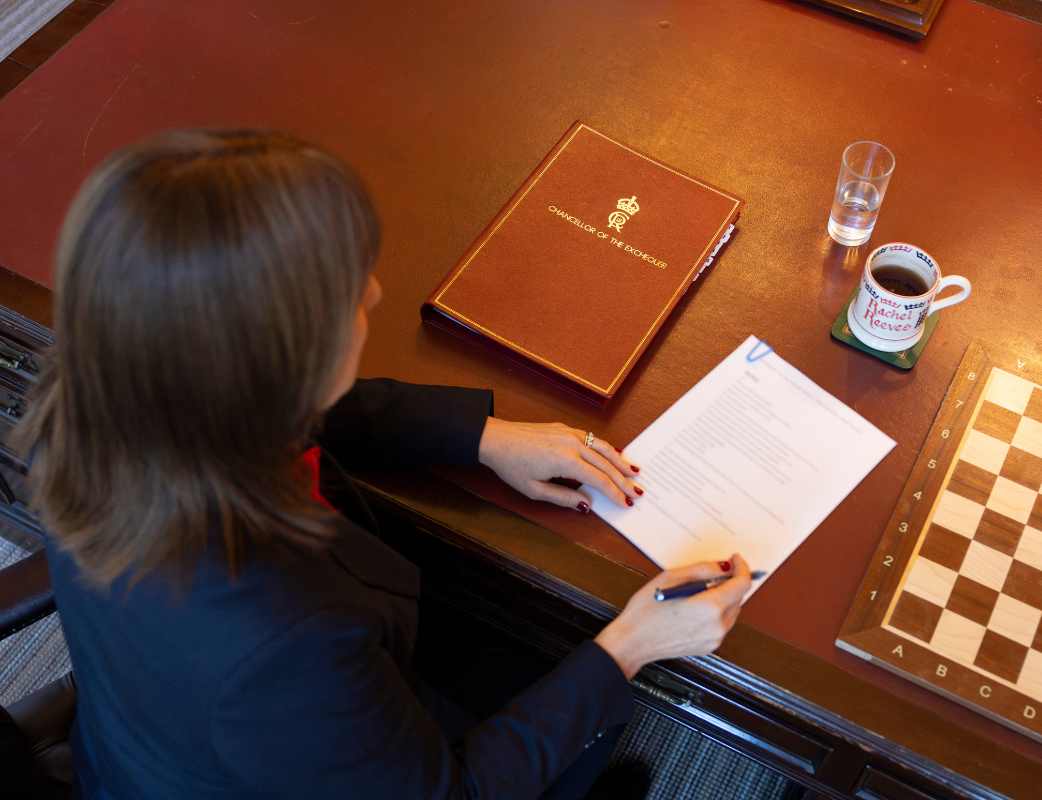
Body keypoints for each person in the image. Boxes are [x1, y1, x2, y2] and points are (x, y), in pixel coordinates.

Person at [12, 130, 753, 799]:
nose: (374, 290)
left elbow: (303, 411)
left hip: (193, 729)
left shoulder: (98, 397)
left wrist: (484, 437)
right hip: (311, 743)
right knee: (568, 659)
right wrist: (631, 647)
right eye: (348, 293)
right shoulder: (287, 639)